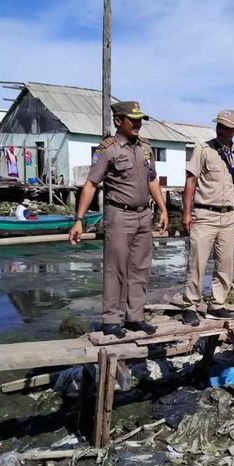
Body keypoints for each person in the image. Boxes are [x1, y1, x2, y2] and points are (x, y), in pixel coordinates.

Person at [68, 101, 168, 337]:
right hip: (119, 214)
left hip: (144, 214)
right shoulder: (107, 149)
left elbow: (152, 180)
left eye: (140, 120)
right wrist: (79, 219)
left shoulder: (145, 147)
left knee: (140, 267)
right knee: (116, 269)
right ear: (118, 121)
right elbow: (91, 183)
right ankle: (111, 319)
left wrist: (163, 209)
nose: (138, 124)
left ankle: (135, 317)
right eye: (132, 120)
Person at [181, 110, 234, 326]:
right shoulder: (204, 150)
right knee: (197, 263)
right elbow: (191, 181)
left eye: (227, 127)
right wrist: (186, 212)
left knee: (225, 264)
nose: (221, 130)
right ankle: (190, 306)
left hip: (228, 217)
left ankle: (218, 304)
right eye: (219, 125)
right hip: (204, 214)